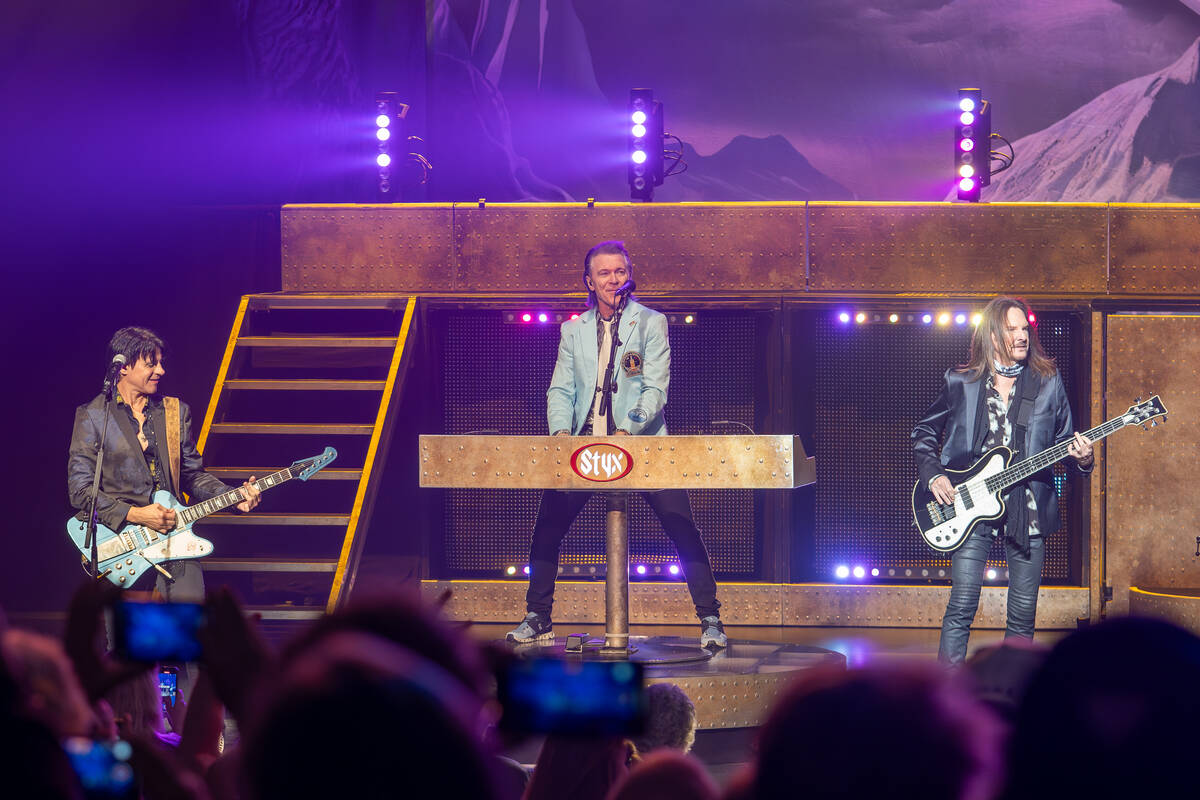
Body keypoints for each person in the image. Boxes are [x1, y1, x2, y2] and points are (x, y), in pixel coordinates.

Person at [506, 241, 726, 649]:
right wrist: (560, 435)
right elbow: (561, 388)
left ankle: (710, 619)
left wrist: (627, 430)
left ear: (630, 274)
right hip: (584, 448)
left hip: (642, 444)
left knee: (681, 527)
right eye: (604, 274)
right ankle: (538, 617)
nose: (613, 280)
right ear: (589, 281)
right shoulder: (573, 330)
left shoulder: (650, 323)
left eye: (620, 272)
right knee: (547, 527)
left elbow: (654, 388)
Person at [912, 297, 1093, 665]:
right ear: (994, 335)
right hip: (969, 502)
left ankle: (1010, 699)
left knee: (1023, 617)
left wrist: (1084, 459)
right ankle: (948, 702)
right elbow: (924, 433)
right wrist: (935, 476)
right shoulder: (961, 381)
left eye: (1025, 328)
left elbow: (1063, 443)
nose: (1022, 335)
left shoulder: (1047, 382)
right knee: (962, 607)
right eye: (1012, 329)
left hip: (1027, 510)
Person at [67, 326, 261, 601]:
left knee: (187, 624)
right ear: (122, 366)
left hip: (174, 536)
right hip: (121, 542)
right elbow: (80, 489)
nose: (160, 371)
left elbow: (192, 476)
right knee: (129, 641)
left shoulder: (174, 412)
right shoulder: (94, 416)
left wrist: (232, 498)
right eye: (151, 364)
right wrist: (135, 514)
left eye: (161, 363)